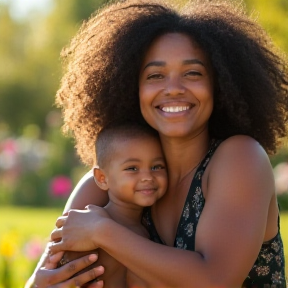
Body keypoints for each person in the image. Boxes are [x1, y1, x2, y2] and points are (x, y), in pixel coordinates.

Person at [26, 0, 288, 287]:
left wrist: (103, 232)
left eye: (192, 73)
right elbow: (42, 278)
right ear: (130, 87)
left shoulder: (241, 158)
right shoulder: (109, 179)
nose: (173, 88)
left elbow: (215, 280)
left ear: (220, 84)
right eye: (155, 75)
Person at [56, 122, 167, 288]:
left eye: (156, 166)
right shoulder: (88, 229)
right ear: (102, 178)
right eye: (132, 168)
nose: (147, 177)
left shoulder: (147, 227)